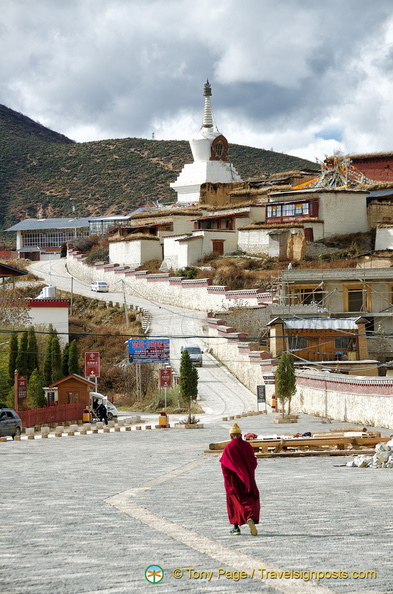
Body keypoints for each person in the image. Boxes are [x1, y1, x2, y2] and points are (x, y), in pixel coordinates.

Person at [220, 422, 260, 536]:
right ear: (241, 435)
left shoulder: (229, 448)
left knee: (235, 502)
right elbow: (253, 462)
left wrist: (228, 482)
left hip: (234, 480)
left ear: (231, 436)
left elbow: (225, 466)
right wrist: (248, 473)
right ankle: (250, 517)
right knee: (249, 499)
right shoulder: (247, 446)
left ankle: (236, 527)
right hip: (247, 479)